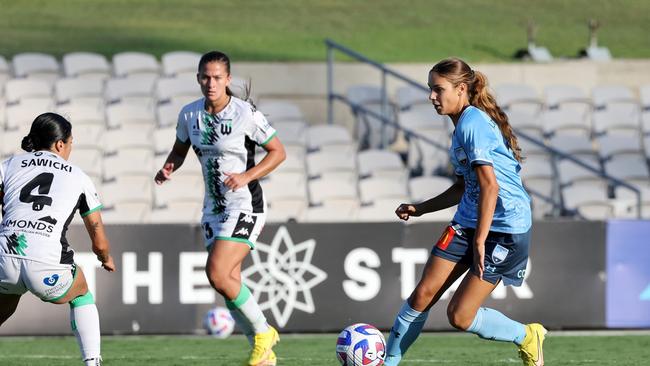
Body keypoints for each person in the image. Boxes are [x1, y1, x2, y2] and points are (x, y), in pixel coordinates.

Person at [384, 58, 546, 366]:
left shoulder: (473, 124)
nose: (432, 96)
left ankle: (527, 336)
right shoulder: (460, 126)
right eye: (430, 90)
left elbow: (490, 187)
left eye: (438, 89)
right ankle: (388, 363)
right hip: (469, 220)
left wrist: (480, 239)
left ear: (461, 89)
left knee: (459, 316)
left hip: (505, 229)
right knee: (422, 296)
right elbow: (464, 186)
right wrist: (421, 208)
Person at [155, 50, 286, 366]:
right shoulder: (189, 115)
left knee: (216, 273)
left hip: (245, 205)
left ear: (228, 80)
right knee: (230, 286)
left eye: (217, 78)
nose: (210, 83)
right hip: (213, 208)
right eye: (205, 77)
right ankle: (264, 354)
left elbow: (278, 152)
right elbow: (179, 148)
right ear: (198, 78)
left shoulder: (245, 114)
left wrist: (246, 176)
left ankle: (263, 333)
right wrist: (168, 167)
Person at [0, 113, 115, 366]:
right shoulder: (79, 176)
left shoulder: (9, 165)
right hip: (46, 263)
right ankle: (92, 362)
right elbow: (99, 240)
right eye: (71, 142)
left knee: (6, 299)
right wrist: (105, 258)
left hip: (5, 258)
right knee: (81, 292)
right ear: (60, 144)